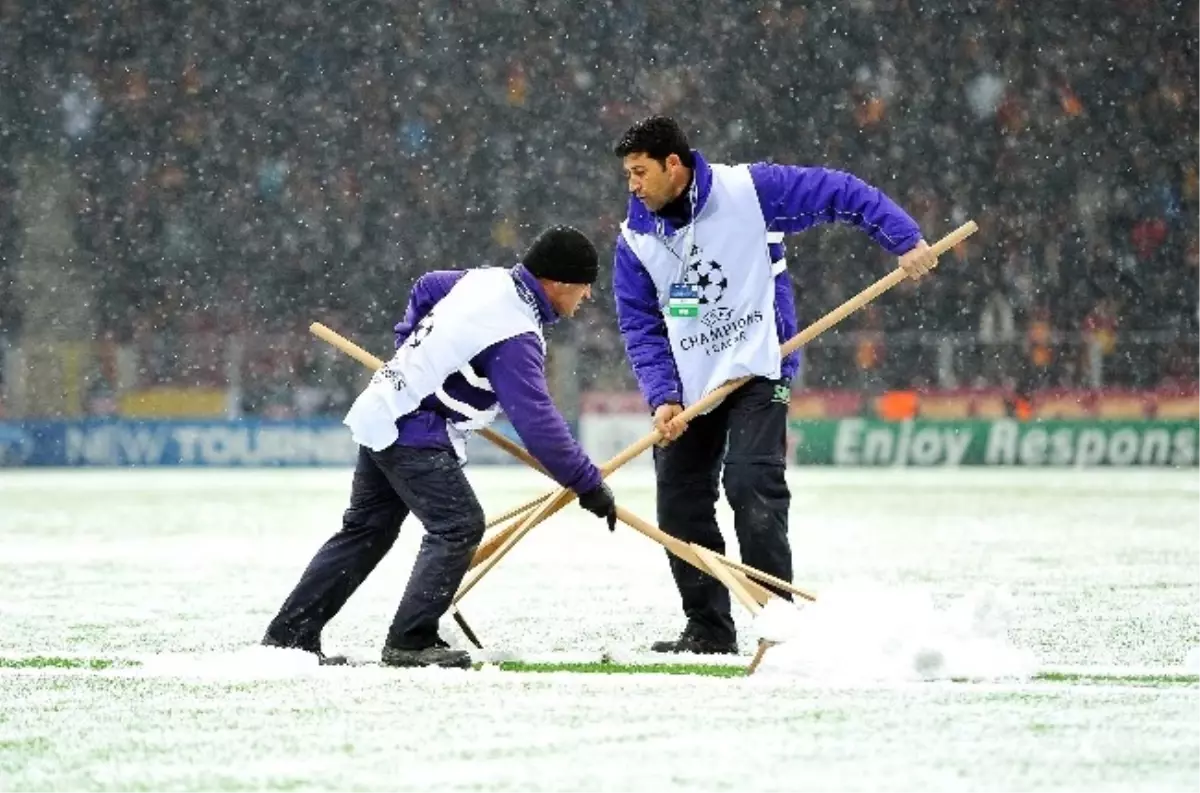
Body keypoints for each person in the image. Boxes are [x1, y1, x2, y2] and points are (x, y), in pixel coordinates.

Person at [611, 115, 936, 654]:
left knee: (750, 483)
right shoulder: (636, 239)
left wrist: (904, 238)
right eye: (628, 175)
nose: (633, 186)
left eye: (640, 172)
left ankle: (778, 627)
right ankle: (709, 629)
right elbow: (640, 325)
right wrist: (663, 395)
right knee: (679, 506)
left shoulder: (749, 191)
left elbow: (841, 192)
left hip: (761, 364)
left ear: (675, 164)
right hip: (691, 387)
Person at [263, 226, 618, 669]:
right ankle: (410, 642)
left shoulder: (487, 280)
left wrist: (409, 345)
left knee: (366, 532)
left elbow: (427, 284)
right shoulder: (515, 334)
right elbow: (537, 421)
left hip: (384, 408)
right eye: (585, 289)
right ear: (560, 283)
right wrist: (587, 483)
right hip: (415, 429)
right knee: (459, 525)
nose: (586, 299)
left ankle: (289, 637)